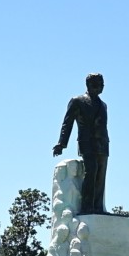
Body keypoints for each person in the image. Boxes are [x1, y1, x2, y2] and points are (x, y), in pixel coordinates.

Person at [53, 73, 109, 215]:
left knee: (101, 175)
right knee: (91, 170)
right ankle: (87, 207)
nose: (102, 86)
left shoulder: (103, 105)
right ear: (89, 84)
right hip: (87, 142)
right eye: (99, 83)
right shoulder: (77, 101)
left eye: (102, 83)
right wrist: (62, 143)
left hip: (103, 144)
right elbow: (68, 123)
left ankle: (98, 207)